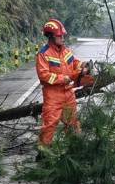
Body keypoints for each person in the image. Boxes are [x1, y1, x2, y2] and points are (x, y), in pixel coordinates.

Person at [35, 19, 87, 148]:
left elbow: (74, 63)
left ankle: (74, 150)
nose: (63, 38)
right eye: (60, 36)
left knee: (73, 122)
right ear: (52, 37)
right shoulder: (43, 54)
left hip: (68, 94)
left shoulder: (66, 51)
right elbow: (44, 75)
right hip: (53, 95)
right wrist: (62, 79)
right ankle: (44, 154)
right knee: (49, 125)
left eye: (63, 35)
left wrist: (83, 65)